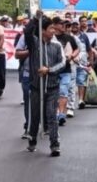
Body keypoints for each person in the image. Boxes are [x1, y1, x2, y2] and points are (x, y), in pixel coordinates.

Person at [16, 17, 66, 156]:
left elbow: (62, 63)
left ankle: (54, 145)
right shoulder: (34, 43)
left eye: (54, 29)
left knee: (51, 116)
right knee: (35, 116)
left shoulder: (57, 46)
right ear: (43, 30)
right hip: (36, 87)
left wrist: (49, 70)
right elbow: (27, 33)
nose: (53, 31)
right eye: (51, 28)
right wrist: (35, 19)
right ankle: (32, 141)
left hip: (52, 87)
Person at [54, 19, 80, 125]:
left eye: (64, 25)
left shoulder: (69, 37)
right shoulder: (50, 37)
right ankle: (55, 112)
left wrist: (72, 55)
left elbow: (77, 49)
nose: (63, 26)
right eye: (61, 24)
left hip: (66, 69)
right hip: (53, 70)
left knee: (63, 91)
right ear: (55, 25)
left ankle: (61, 114)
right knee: (54, 93)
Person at [70, 20, 91, 110]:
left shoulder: (84, 36)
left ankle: (81, 100)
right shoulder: (68, 36)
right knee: (71, 83)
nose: (75, 26)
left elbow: (89, 49)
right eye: (73, 25)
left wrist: (91, 61)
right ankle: (70, 103)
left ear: (79, 26)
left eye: (76, 25)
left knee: (81, 81)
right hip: (71, 62)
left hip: (83, 63)